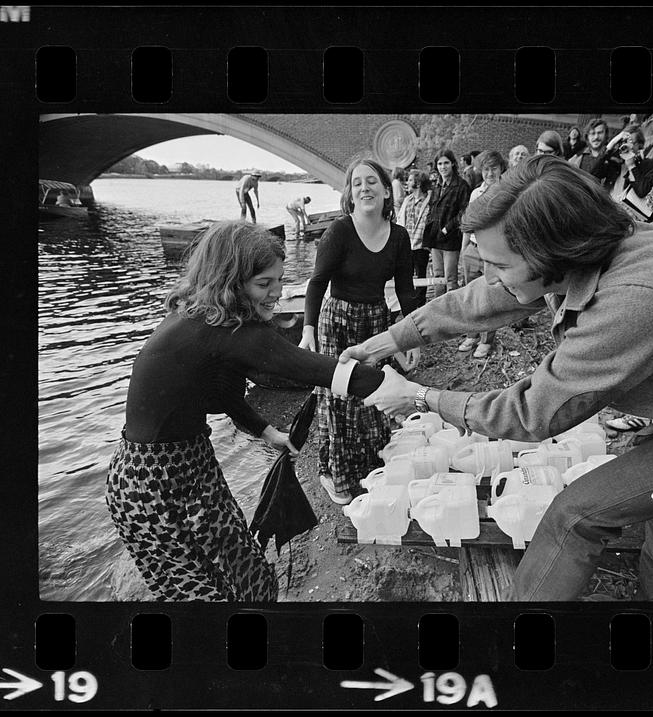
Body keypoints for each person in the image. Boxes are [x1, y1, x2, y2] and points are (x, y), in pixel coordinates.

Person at [342, 155, 653, 602]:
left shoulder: (635, 298)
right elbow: (485, 298)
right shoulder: (596, 250)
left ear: (552, 253)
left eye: (499, 266)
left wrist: (420, 396)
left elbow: (532, 414)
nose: (489, 277)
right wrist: (387, 340)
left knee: (576, 515)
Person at [105, 221, 386, 602]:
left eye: (279, 280)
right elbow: (310, 368)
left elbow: (219, 392)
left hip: (193, 461)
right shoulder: (224, 329)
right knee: (199, 594)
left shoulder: (213, 321)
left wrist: (267, 431)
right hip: (148, 482)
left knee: (246, 569)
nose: (277, 293)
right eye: (264, 284)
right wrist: (405, 392)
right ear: (230, 281)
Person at [299, 159, 416, 505]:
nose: (364, 188)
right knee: (338, 398)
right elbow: (317, 282)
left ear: (385, 191)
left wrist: (410, 337)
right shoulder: (339, 231)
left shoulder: (399, 236)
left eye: (372, 182)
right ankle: (334, 473)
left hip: (375, 322)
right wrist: (308, 329)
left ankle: (369, 464)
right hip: (337, 321)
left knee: (372, 395)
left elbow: (406, 291)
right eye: (357, 183)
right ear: (349, 193)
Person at [457, 150, 507, 358]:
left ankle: (487, 340)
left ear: (501, 168)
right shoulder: (475, 194)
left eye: (493, 168)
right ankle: (472, 334)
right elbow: (469, 224)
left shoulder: (507, 192)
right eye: (486, 169)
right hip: (473, 249)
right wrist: (463, 250)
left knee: (489, 297)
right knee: (471, 296)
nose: (489, 173)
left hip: (493, 252)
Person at [422, 149, 472, 298]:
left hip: (451, 238)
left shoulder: (462, 186)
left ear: (453, 164)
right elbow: (432, 208)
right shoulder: (436, 185)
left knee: (450, 279)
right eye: (440, 163)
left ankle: (452, 311)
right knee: (438, 277)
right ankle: (438, 309)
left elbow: (464, 212)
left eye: (446, 163)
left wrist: (447, 229)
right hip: (435, 237)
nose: (443, 167)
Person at [397, 168, 433, 308]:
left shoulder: (427, 201)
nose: (408, 182)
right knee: (406, 275)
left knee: (421, 274)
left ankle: (420, 303)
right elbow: (401, 220)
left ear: (418, 183)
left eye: (411, 180)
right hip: (407, 244)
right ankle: (408, 302)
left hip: (420, 245)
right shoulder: (408, 200)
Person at [568, 118, 619, 189]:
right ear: (587, 136)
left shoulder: (613, 158)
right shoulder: (578, 158)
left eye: (600, 133)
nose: (596, 137)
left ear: (606, 134)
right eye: (592, 133)